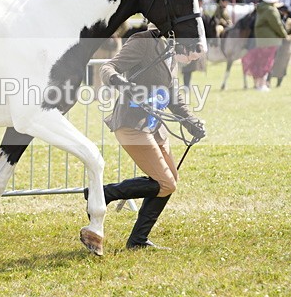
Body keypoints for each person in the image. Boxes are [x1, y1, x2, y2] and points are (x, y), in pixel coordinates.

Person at [87, 25, 206, 250]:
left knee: (170, 182)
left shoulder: (169, 49)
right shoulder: (142, 41)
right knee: (165, 182)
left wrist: (191, 122)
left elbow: (173, 95)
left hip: (155, 126)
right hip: (133, 124)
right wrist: (116, 80)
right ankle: (104, 193)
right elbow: (108, 67)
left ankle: (137, 240)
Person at [241, 0, 288, 91]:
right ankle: (262, 85)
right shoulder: (271, 10)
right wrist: (285, 35)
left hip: (261, 40)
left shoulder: (262, 9)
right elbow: (277, 25)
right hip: (270, 40)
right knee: (267, 62)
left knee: (260, 61)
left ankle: (258, 84)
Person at [268, 5, 291, 88]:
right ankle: (268, 82)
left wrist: (288, 38)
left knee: (283, 66)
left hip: (285, 47)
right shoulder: (276, 21)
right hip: (275, 46)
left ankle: (279, 83)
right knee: (271, 64)